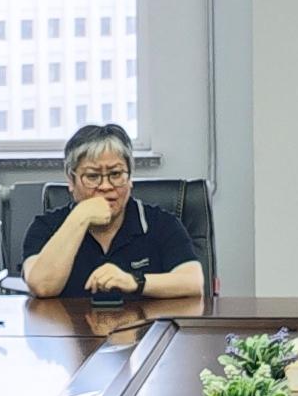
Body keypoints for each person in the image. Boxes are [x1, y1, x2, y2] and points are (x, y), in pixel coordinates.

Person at [19, 122, 204, 301]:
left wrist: (135, 281)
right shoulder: (46, 227)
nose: (106, 186)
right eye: (92, 176)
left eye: (115, 174)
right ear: (71, 180)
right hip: (70, 324)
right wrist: (81, 217)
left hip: (144, 323)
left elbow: (193, 282)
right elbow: (41, 286)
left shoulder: (161, 223)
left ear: (130, 177)